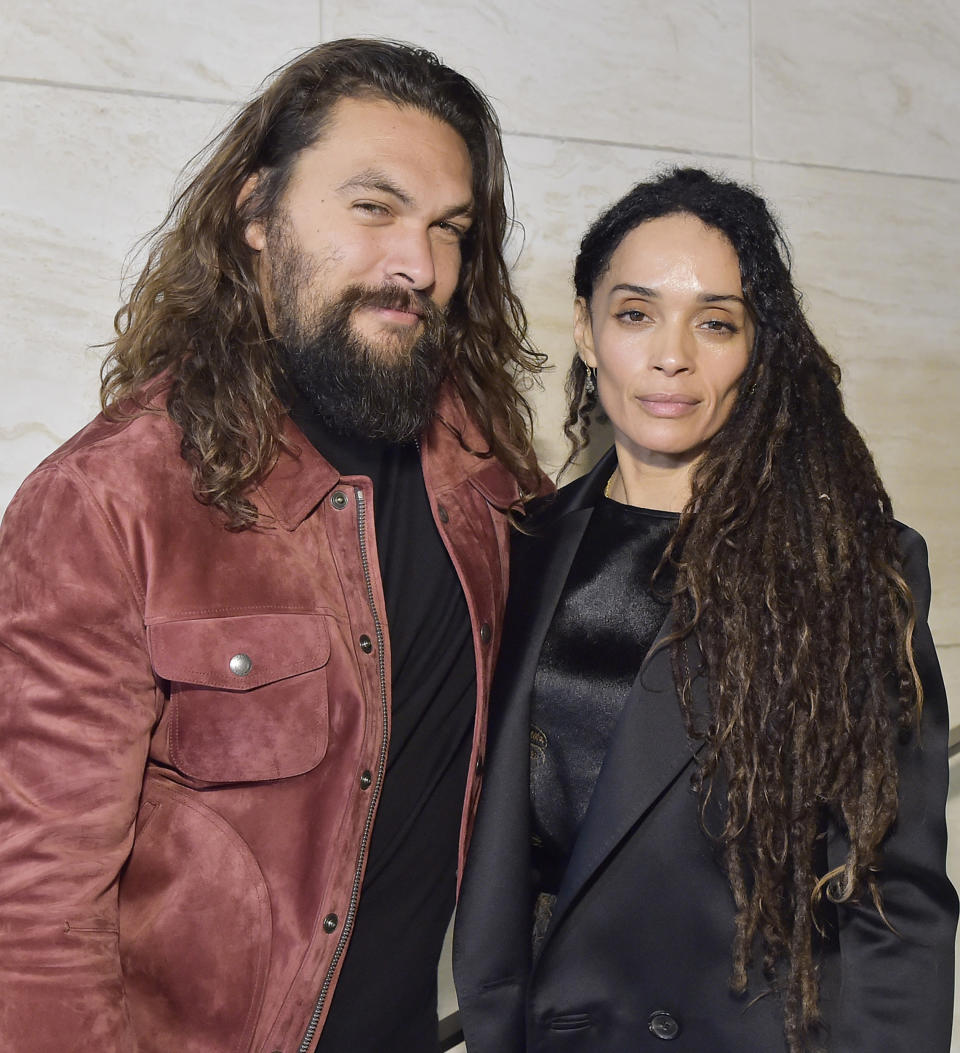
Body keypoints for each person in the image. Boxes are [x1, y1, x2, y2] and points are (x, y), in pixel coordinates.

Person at [0, 38, 546, 1053]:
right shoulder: (109, 501)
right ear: (256, 214)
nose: (416, 265)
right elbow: (31, 916)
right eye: (373, 208)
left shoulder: (490, 483)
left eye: (448, 229)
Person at [454, 167, 957, 1052]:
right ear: (585, 326)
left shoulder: (846, 566)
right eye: (636, 313)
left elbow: (893, 895)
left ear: (757, 348)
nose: (671, 355)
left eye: (716, 322)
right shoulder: (519, 544)